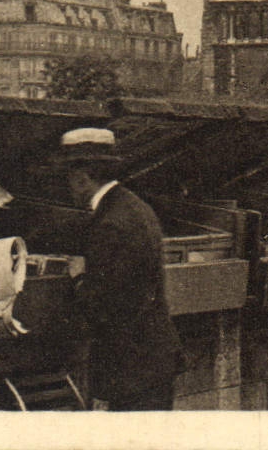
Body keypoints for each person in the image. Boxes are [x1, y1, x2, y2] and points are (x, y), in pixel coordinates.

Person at [49, 127, 180, 410]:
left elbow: (104, 305)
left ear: (82, 178)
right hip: (151, 361)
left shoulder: (110, 223)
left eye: (69, 179)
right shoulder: (134, 206)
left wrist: (79, 277)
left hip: (132, 368)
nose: (68, 188)